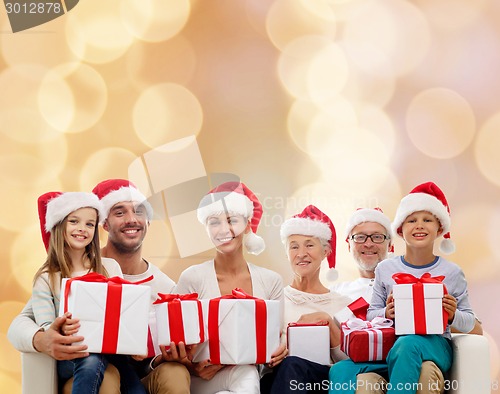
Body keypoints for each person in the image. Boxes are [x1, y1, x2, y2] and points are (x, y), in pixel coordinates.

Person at [8, 179, 192, 394]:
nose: (132, 219)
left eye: (139, 211)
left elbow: (149, 350)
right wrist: (42, 339)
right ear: (104, 223)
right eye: (120, 212)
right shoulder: (57, 277)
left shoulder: (165, 288)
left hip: (133, 371)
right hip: (86, 368)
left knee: (174, 372)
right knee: (106, 374)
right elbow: (21, 323)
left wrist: (158, 357)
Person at [329, 182, 476, 394]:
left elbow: (470, 322)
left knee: (408, 344)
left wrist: (452, 316)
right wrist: (386, 313)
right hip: (391, 345)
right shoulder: (386, 269)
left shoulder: (452, 272)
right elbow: (372, 313)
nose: (419, 225)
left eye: (427, 220)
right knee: (342, 369)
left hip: (436, 346)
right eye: (411, 220)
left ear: (439, 228)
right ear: (400, 229)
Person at [175, 181, 285, 394]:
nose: (224, 230)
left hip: (253, 379)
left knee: (245, 374)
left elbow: (278, 339)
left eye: (232, 220)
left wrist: (281, 351)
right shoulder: (192, 278)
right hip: (202, 380)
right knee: (245, 374)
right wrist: (194, 368)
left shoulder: (271, 281)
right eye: (214, 222)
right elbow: (176, 339)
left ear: (246, 224)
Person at [32, 191, 144, 393]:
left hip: (111, 350)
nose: (82, 229)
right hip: (72, 353)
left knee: (134, 385)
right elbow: (46, 327)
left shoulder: (109, 268)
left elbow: (123, 313)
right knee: (91, 359)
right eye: (74, 221)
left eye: (90, 224)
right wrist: (61, 329)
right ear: (59, 225)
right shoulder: (46, 278)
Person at [332, 207, 445, 394]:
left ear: (390, 245)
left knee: (422, 371)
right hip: (363, 365)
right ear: (349, 245)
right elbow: (339, 352)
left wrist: (438, 312)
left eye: (377, 237)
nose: (368, 244)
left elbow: (466, 325)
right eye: (360, 237)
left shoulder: (415, 280)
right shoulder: (336, 292)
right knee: (354, 379)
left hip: (410, 358)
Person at [261, 205, 352, 394]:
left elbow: (348, 362)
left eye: (309, 245)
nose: (301, 253)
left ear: (326, 251)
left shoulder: (343, 303)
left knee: (293, 365)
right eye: (294, 246)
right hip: (276, 380)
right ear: (287, 253)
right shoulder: (273, 299)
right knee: (287, 366)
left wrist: (328, 323)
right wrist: (272, 355)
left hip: (322, 383)